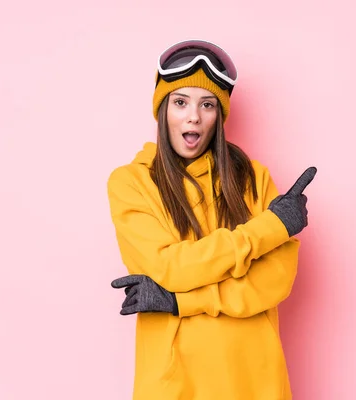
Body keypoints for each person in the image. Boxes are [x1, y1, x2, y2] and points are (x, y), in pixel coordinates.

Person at [107, 39, 316, 400]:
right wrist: (271, 227)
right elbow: (168, 267)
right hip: (175, 386)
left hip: (255, 381)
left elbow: (276, 278)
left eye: (207, 105)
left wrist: (180, 302)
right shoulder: (132, 183)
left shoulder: (253, 178)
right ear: (162, 111)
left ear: (220, 115)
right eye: (180, 102)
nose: (193, 117)